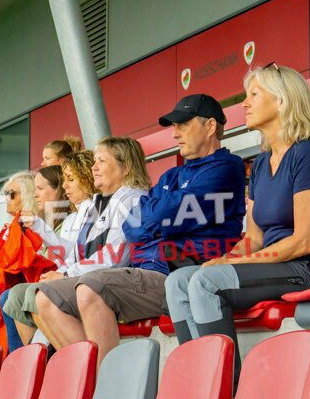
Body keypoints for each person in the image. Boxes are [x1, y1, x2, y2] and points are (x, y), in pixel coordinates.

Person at [166, 64, 310, 381]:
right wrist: (225, 259)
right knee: (179, 281)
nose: (245, 103)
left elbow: (303, 241)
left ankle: (227, 393)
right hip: (281, 266)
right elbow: (253, 237)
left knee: (207, 283)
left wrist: (243, 263)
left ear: (282, 101)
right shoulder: (262, 164)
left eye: (254, 94)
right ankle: (199, 385)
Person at [42, 96, 247, 366]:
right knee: (44, 297)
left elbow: (163, 216)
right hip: (148, 272)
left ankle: (107, 391)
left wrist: (160, 217)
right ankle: (86, 384)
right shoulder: (172, 176)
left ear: (210, 126)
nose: (175, 133)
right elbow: (135, 227)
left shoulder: (226, 168)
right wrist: (163, 219)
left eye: (183, 125)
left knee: (90, 289)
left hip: (179, 273)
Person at [35, 137, 149, 351]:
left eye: (102, 162)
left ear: (126, 168)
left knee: (54, 294)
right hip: (97, 277)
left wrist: (67, 275)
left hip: (124, 279)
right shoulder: (101, 203)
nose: (94, 168)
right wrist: (64, 271)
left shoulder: (133, 198)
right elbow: (80, 253)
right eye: (94, 162)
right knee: (41, 296)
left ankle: (94, 371)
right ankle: (81, 367)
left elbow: (116, 257)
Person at [0, 164, 74, 350]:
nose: (35, 194)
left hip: (69, 281)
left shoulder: (69, 219)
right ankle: (29, 361)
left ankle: (36, 360)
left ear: (60, 189)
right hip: (56, 279)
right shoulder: (42, 223)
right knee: (7, 296)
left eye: (40, 189)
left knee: (12, 295)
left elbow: (75, 256)